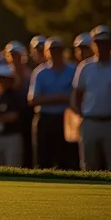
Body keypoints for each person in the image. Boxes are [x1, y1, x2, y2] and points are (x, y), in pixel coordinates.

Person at [72, 25, 111, 171]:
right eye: (98, 43)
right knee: (89, 166)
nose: (101, 46)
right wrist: (81, 116)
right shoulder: (85, 67)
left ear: (110, 44)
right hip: (90, 122)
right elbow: (77, 96)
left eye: (104, 43)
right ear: (93, 45)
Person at [28, 38, 77, 169]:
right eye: (52, 50)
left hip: (66, 118)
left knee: (68, 159)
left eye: (58, 50)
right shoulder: (40, 72)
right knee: (43, 159)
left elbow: (77, 96)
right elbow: (33, 100)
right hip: (45, 118)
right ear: (46, 52)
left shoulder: (73, 70)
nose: (55, 53)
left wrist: (49, 98)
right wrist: (60, 97)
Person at [0, 63, 31, 167]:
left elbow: (14, 116)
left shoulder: (16, 95)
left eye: (1, 78)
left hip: (12, 136)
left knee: (13, 167)